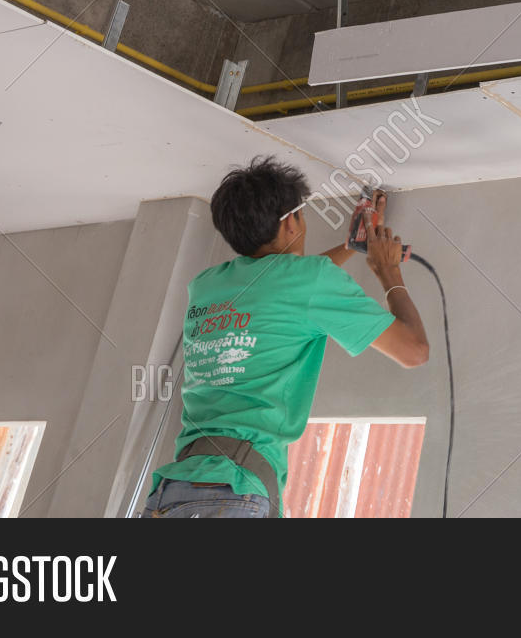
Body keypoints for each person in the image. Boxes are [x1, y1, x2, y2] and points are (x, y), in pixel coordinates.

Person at [140, 158, 428, 518]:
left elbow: (286, 285)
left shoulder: (208, 285)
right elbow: (414, 351)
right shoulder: (307, 281)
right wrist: (388, 271)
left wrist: (351, 248)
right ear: (290, 220)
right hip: (230, 491)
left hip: (177, 489)